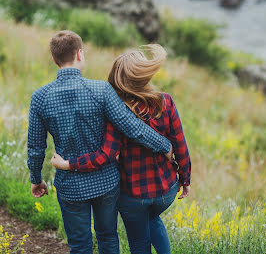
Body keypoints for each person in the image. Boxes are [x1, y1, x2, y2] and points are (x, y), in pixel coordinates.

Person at [27, 31, 172, 254]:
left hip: (70, 186)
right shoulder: (101, 90)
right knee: (108, 238)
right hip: (106, 183)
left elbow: (36, 148)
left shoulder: (40, 98)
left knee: (79, 245)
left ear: (55, 60)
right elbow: (132, 127)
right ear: (80, 54)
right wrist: (165, 145)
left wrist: (36, 179)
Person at [51, 44, 191, 254]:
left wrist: (69, 164)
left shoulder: (116, 112)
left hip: (133, 194)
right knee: (153, 218)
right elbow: (180, 146)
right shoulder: (165, 102)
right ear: (144, 77)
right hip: (166, 190)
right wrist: (185, 179)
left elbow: (105, 155)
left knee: (139, 243)